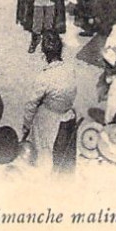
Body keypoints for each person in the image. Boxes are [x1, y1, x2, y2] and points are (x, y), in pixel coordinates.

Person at [21, 31, 78, 171]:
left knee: (43, 148)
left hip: (50, 116)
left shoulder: (44, 77)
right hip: (68, 112)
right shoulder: (70, 69)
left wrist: (26, 125)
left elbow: (31, 104)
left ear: (44, 53)